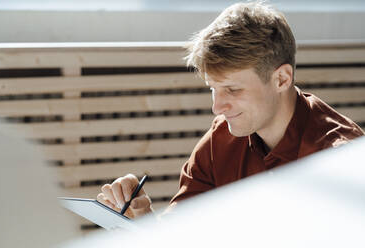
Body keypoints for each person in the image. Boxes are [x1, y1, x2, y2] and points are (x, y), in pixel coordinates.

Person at [96, 1, 364, 219]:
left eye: (233, 90)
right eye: (213, 88)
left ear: (281, 79)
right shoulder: (219, 143)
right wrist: (142, 219)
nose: (217, 108)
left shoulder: (343, 160)